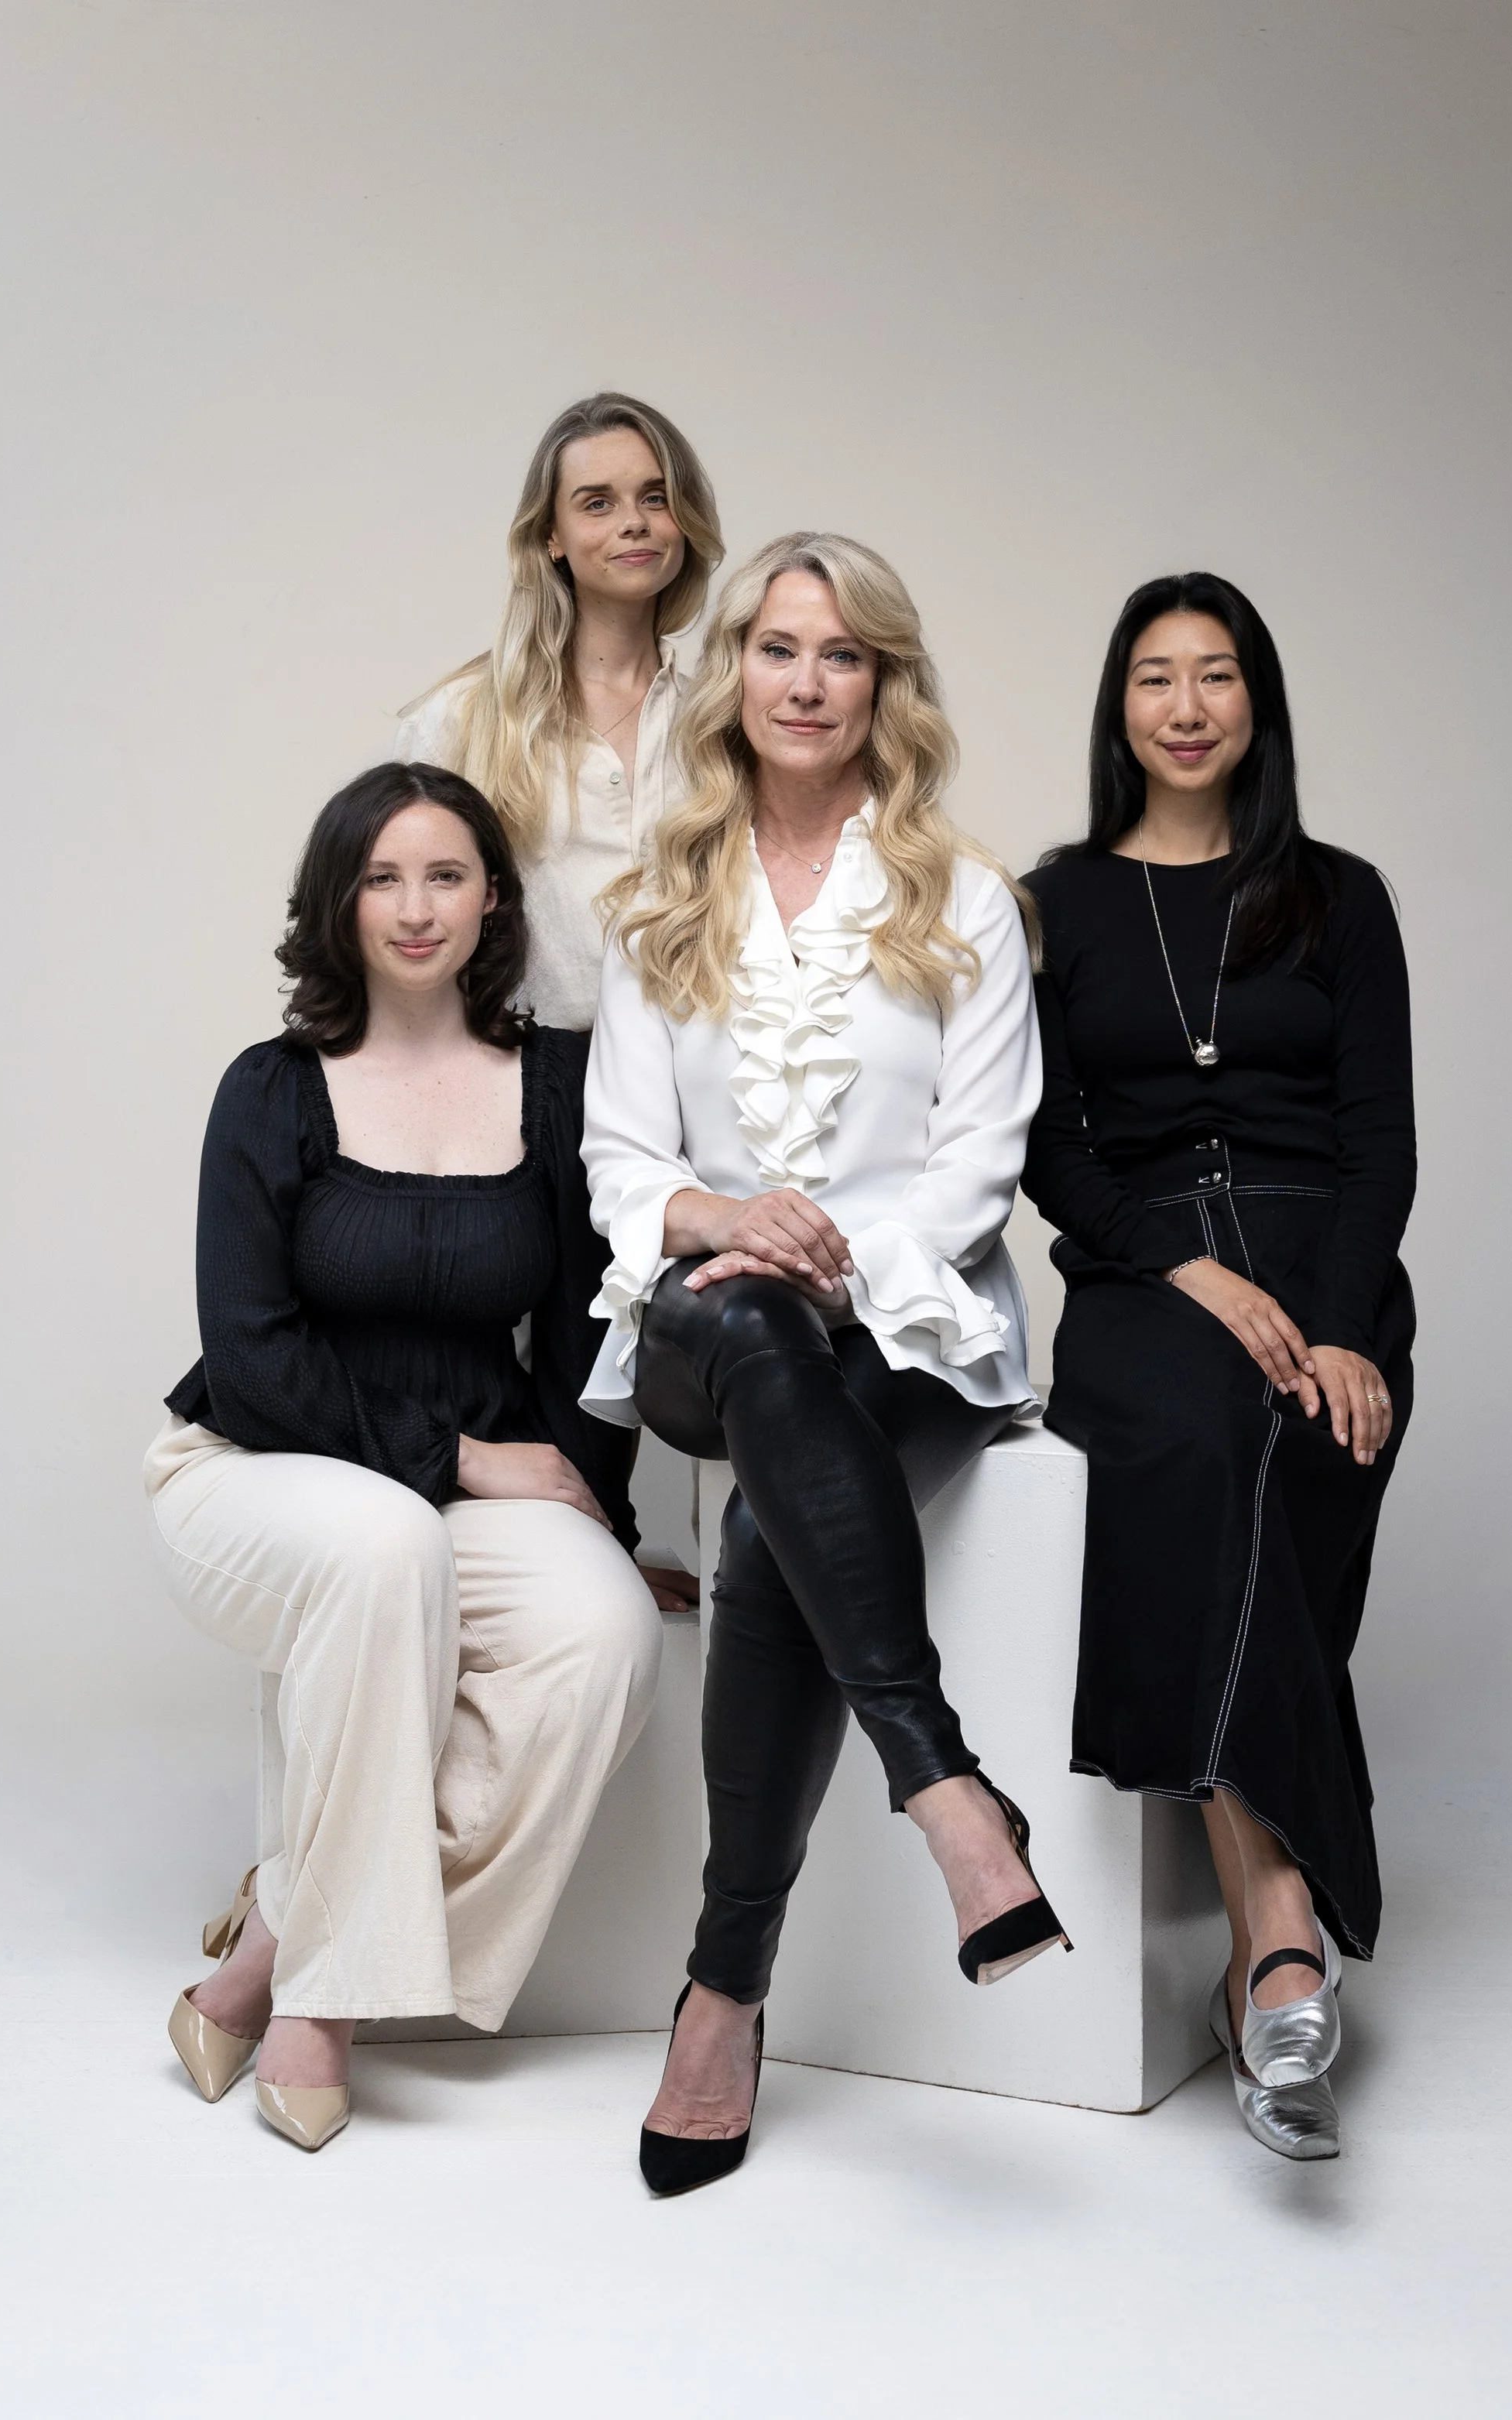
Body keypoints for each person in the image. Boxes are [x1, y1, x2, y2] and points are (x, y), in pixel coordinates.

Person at [583, 532, 1069, 2196]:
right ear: (731, 674)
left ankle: (720, 1995)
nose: (805, 682)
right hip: (702, 1324)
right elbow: (618, 1166)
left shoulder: (966, 900)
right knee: (739, 1317)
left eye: (841, 654)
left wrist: (841, 1256)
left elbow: (975, 1162)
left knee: (769, 1535)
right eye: (777, 648)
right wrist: (732, 1218)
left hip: (917, 1331)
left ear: (884, 687)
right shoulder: (659, 903)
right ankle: (941, 1789)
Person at [147, 762, 663, 2151]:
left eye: (447, 874)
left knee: (602, 1638)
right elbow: (253, 1357)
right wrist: (465, 1460)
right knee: (390, 1541)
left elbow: (574, 1341)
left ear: (495, 897)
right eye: (382, 876)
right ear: (338, 901)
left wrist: (598, 1516)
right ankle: (326, 2008)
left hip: (460, 1481)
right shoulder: (271, 1089)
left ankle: (275, 1942)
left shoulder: (555, 1086)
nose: (416, 907)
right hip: (250, 1469)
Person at [1021, 571, 1416, 2161]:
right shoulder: (1046, 900)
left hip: (1322, 1256)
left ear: (1256, 703)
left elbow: (1380, 1143)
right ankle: (1275, 1926)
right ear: (1117, 710)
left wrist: (1328, 1322)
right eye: (1151, 679)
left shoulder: (1339, 894)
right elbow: (1042, 1146)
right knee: (1190, 1441)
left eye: (1215, 677)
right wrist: (1179, 1267)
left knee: (1302, 1433)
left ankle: (1256, 1899)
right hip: (1141, 1264)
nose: (1184, 707)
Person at [395, 390, 724, 1036]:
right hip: (524, 1086)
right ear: (551, 535)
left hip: (702, 1089)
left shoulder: (720, 722)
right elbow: (403, 920)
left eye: (656, 497)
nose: (634, 522)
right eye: (597, 502)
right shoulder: (460, 721)